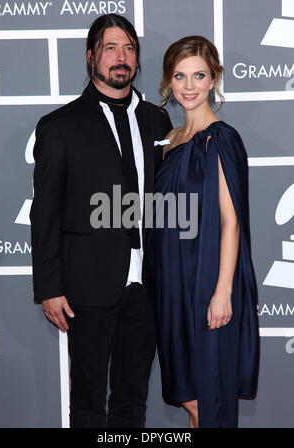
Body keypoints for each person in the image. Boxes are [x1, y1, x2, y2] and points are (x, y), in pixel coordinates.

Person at [30, 13, 172, 428]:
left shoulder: (156, 120)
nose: (121, 57)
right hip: (87, 286)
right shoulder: (60, 126)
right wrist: (50, 288)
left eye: (129, 48)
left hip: (147, 287)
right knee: (90, 404)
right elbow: (46, 212)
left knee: (133, 400)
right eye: (111, 48)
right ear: (91, 57)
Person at [145, 36, 259, 428]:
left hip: (206, 283)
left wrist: (222, 292)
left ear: (213, 80)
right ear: (168, 82)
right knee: (190, 399)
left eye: (199, 75)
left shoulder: (221, 139)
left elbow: (231, 222)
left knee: (209, 400)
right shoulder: (168, 142)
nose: (189, 86)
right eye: (180, 76)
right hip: (170, 287)